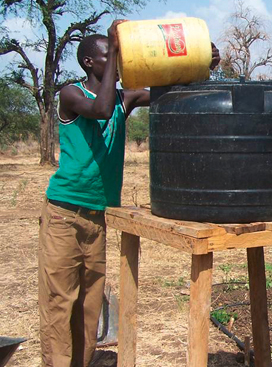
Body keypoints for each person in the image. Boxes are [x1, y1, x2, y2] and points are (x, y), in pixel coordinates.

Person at [38, 20, 220, 367]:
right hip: (64, 213)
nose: (119, 63)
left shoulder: (126, 98)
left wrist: (202, 65)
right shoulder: (72, 94)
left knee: (90, 303)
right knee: (60, 301)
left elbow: (173, 92)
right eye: (111, 56)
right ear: (89, 62)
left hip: (98, 216)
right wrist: (115, 43)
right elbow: (101, 109)